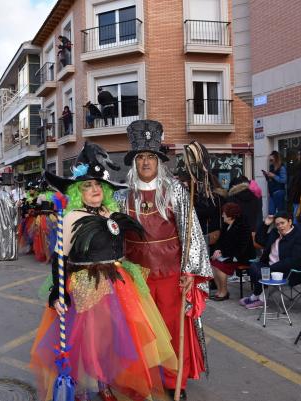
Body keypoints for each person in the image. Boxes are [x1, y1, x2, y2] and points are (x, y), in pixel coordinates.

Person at [31, 142, 176, 401]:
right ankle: (89, 385)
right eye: (87, 185)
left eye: (98, 184)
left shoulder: (113, 211)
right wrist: (57, 292)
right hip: (86, 285)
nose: (95, 189)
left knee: (115, 339)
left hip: (119, 283)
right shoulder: (71, 217)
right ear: (78, 190)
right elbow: (59, 260)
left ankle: (106, 382)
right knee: (88, 341)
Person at [121, 120, 212, 399]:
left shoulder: (176, 191)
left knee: (173, 331)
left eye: (151, 157)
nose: (146, 162)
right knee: (140, 333)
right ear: (134, 162)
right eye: (141, 157)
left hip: (172, 276)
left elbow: (192, 236)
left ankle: (176, 382)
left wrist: (191, 273)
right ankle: (143, 380)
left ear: (159, 161)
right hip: (136, 278)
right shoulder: (121, 195)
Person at [241, 212, 301, 309]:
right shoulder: (275, 233)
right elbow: (259, 240)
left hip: (288, 271)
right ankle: (260, 297)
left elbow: (294, 260)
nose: (280, 226)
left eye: (282, 223)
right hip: (270, 267)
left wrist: (271, 268)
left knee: (261, 272)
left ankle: (256, 297)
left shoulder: (299, 237)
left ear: (290, 221)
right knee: (253, 267)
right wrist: (265, 224)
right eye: (277, 224)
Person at [210, 202, 255, 301]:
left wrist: (223, 254)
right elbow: (220, 241)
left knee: (219, 265)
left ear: (230, 216)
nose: (222, 215)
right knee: (213, 263)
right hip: (229, 254)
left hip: (241, 256)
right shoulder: (226, 225)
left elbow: (241, 247)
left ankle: (224, 292)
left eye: (224, 214)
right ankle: (219, 290)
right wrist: (217, 250)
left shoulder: (243, 226)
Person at [0, 176, 18, 261]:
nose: (11, 188)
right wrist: (16, 205)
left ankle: (1, 254)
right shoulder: (5, 195)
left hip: (1, 220)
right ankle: (7, 254)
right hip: (6, 221)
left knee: (2, 236)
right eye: (10, 186)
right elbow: (10, 208)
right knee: (7, 235)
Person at [264, 150, 287, 215]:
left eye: (271, 160)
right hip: (272, 193)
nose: (270, 162)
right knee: (271, 213)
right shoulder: (271, 167)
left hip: (279, 192)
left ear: (276, 159)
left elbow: (284, 180)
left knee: (280, 213)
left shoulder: (281, 168)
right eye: (270, 160)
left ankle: (281, 224)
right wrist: (267, 176)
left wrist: (274, 176)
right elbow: (271, 181)